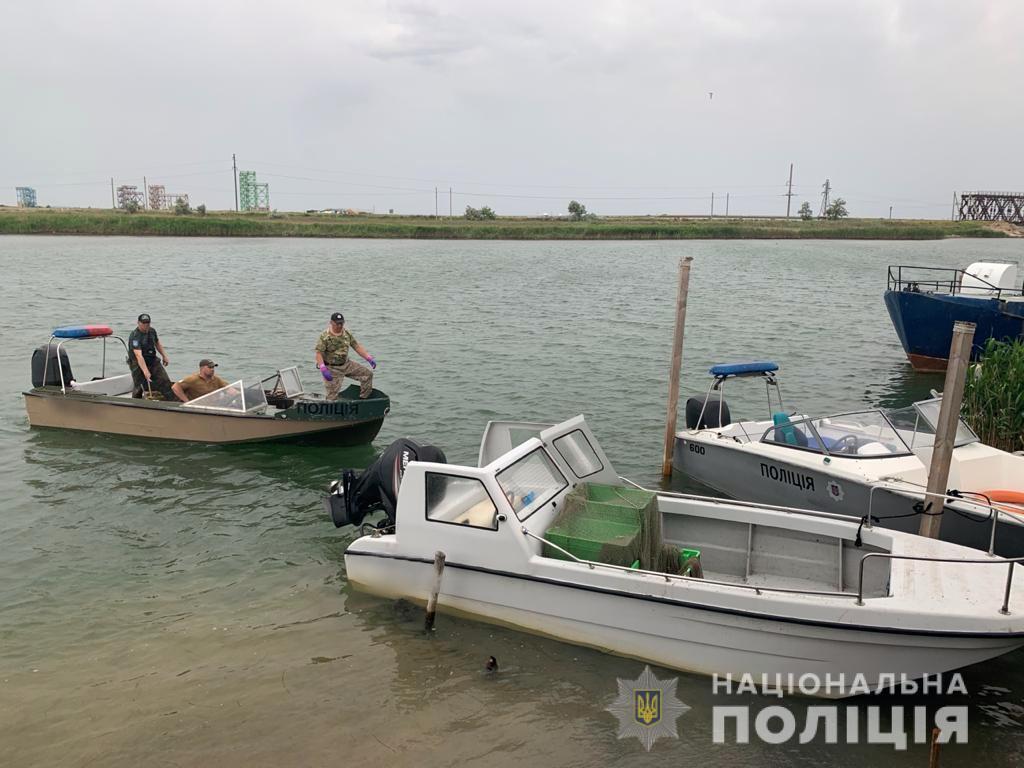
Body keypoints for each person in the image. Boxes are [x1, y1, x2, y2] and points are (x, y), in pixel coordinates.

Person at [314, 312, 376, 400]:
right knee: (331, 397)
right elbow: (318, 354)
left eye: (341, 323)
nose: (340, 326)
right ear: (331, 323)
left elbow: (356, 346)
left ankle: (363, 401)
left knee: (368, 375)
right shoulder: (325, 336)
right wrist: (323, 368)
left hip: (346, 364)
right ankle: (331, 411)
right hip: (332, 368)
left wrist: (368, 358)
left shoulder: (346, 333)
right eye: (337, 323)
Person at [128, 313, 175, 400]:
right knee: (139, 386)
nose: (146, 325)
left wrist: (164, 356)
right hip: (138, 363)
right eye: (143, 323)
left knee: (165, 381)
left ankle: (172, 400)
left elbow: (157, 343)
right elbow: (138, 355)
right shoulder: (135, 336)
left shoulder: (152, 331)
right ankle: (135, 403)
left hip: (152, 360)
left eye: (148, 323)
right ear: (138, 323)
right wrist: (145, 371)